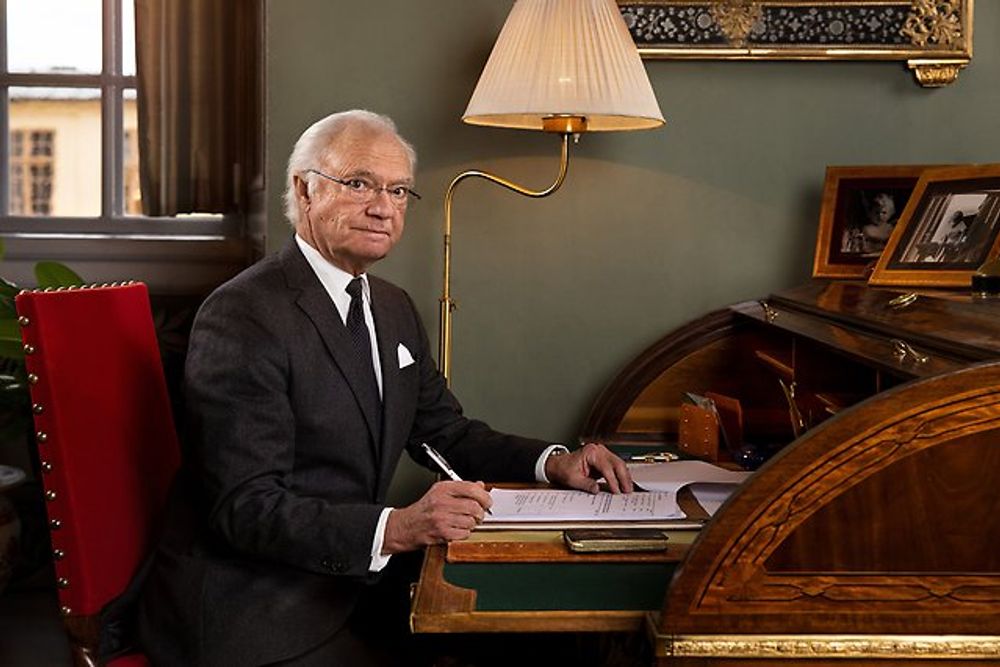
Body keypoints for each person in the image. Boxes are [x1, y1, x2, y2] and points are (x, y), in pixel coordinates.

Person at [137, 109, 633, 666]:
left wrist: (554, 462)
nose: (382, 207)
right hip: (257, 608)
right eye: (358, 184)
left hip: (355, 585)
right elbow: (245, 506)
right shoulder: (244, 315)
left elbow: (443, 431)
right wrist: (396, 527)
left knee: (545, 640)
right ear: (304, 190)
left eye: (398, 191)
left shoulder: (392, 308)